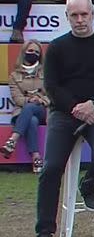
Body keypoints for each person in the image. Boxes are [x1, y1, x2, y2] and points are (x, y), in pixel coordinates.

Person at [34, 0, 94, 237]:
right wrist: (76, 108)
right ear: (67, 17)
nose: (80, 20)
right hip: (65, 112)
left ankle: (88, 185)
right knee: (51, 168)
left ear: (92, 15)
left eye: (84, 14)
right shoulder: (57, 47)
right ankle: (44, 232)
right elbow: (52, 86)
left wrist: (93, 104)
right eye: (74, 15)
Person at [0, 40, 48, 172]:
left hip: (42, 110)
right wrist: (30, 100)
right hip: (21, 112)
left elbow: (50, 94)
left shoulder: (46, 72)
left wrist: (39, 100)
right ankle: (36, 157)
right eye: (31, 51)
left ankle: (12, 140)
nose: (33, 54)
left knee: (31, 108)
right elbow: (17, 98)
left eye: (37, 52)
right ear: (24, 52)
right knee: (31, 120)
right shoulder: (14, 76)